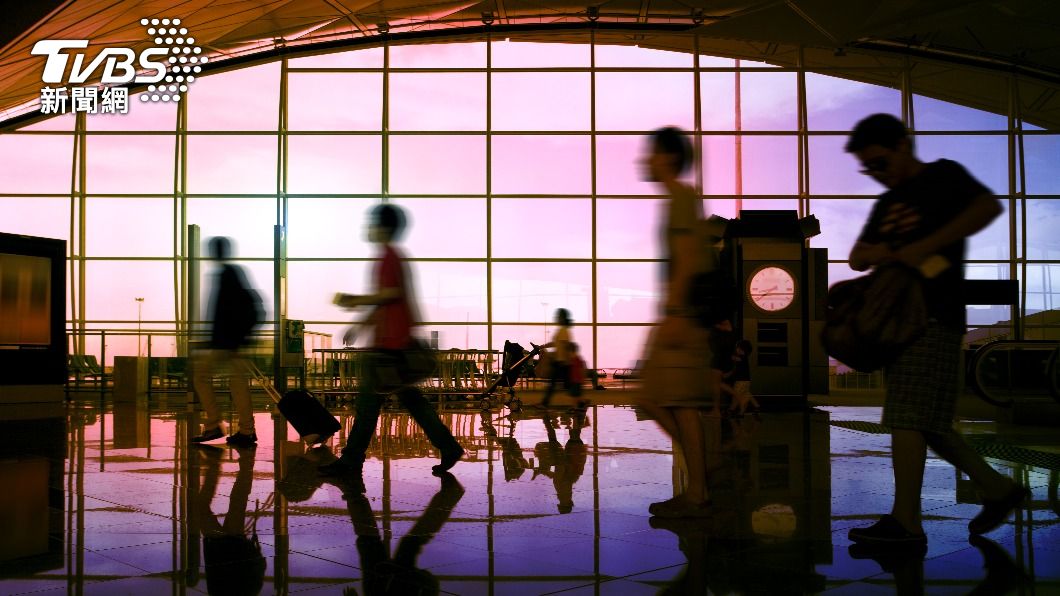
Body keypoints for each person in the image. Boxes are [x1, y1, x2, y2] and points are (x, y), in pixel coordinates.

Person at [844, 114, 1029, 548]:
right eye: (868, 168)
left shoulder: (943, 176)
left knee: (907, 417)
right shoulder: (886, 205)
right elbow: (856, 256)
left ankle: (906, 522)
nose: (877, 174)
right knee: (928, 423)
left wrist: (925, 246)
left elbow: (986, 207)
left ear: (904, 146)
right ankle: (999, 489)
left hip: (933, 316)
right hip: (899, 322)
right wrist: (896, 250)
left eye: (881, 163)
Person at [319, 204, 464, 478]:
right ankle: (448, 446)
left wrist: (355, 301)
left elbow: (390, 294)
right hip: (393, 341)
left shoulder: (388, 257)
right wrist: (359, 324)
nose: (369, 228)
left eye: (372, 223)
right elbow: (386, 300)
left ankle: (351, 460)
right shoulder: (392, 256)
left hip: (389, 344)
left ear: (384, 227)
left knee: (368, 405)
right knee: (411, 400)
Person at [635, 127, 720, 519]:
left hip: (680, 314)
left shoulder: (682, 198)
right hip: (678, 312)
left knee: (669, 401)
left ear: (667, 156)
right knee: (665, 400)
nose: (644, 159)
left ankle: (701, 483)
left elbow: (687, 257)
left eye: (651, 152)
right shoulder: (678, 198)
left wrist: (674, 313)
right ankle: (702, 478)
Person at [191, 236, 262, 447]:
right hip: (234, 341)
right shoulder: (232, 273)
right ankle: (246, 431)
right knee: (237, 383)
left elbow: (224, 312)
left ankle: (215, 425)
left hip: (228, 343)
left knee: (202, 376)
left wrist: (219, 340)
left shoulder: (226, 275)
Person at [192, 445, 266, 596]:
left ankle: (242, 460)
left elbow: (257, 571)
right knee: (203, 508)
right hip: (222, 549)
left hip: (235, 548)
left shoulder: (249, 592)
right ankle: (220, 461)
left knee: (237, 501)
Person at [539, 308, 574, 408]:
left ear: (562, 318)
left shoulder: (563, 331)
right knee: (565, 386)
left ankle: (545, 403)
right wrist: (542, 346)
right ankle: (580, 403)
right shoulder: (562, 330)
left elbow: (566, 346)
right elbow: (555, 344)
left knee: (554, 385)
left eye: (558, 317)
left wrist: (567, 361)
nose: (557, 318)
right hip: (560, 362)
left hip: (562, 362)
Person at [727, 339, 759, 415]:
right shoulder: (744, 358)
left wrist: (728, 355)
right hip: (746, 380)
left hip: (740, 380)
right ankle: (756, 406)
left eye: (737, 348)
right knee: (746, 394)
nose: (736, 349)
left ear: (742, 349)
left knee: (736, 394)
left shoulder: (742, 357)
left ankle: (731, 409)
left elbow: (734, 358)